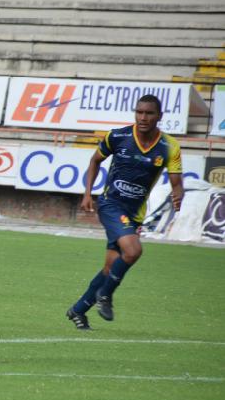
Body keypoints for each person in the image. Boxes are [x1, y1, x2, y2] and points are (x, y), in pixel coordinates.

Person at [66, 94, 183, 330]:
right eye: (139, 112)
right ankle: (105, 295)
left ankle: (78, 310)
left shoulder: (169, 146)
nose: (143, 117)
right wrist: (87, 194)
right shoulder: (118, 136)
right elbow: (95, 161)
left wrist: (178, 192)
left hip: (134, 214)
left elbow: (176, 181)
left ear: (159, 116)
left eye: (149, 113)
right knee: (133, 250)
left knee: (110, 268)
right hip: (111, 205)